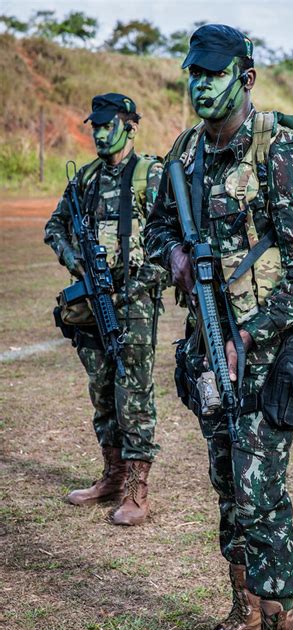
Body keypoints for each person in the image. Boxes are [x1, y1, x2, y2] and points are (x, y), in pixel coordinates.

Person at [145, 24, 293, 630]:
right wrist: (173, 257)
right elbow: (156, 227)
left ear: (245, 77)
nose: (198, 82)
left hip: (264, 358)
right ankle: (245, 615)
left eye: (213, 72)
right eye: (191, 71)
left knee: (261, 502)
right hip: (209, 356)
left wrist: (250, 333)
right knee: (227, 487)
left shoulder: (284, 152)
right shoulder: (186, 153)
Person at [45, 93, 165, 526]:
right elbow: (54, 226)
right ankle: (112, 476)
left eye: (106, 124)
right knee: (101, 387)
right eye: (93, 125)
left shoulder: (151, 175)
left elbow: (171, 235)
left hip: (133, 302)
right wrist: (75, 262)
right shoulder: (87, 179)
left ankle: (136, 489)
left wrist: (146, 279)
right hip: (93, 299)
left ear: (130, 126)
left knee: (133, 392)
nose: (97, 132)